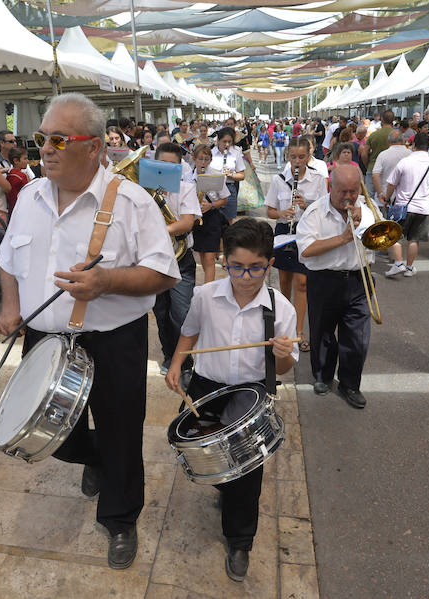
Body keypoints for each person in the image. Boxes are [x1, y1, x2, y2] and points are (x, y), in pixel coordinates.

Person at [0, 93, 179, 570]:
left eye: (59, 139)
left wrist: (107, 281)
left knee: (121, 431)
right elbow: (8, 261)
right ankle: (96, 459)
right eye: (41, 138)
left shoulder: (132, 201)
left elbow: (163, 274)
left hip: (114, 341)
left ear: (94, 147)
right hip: (45, 340)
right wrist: (12, 307)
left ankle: (120, 518)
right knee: (58, 436)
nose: (45, 149)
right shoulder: (29, 197)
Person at [164, 217, 297, 583]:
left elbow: (283, 368)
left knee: (248, 471)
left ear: (269, 264)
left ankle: (240, 541)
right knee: (193, 445)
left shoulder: (281, 309)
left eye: (256, 267)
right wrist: (176, 364)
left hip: (251, 393)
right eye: (237, 266)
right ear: (225, 261)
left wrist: (283, 353)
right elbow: (189, 332)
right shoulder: (206, 296)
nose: (246, 276)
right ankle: (226, 486)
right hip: (207, 386)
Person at [296, 165, 375, 409]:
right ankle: (322, 375)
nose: (349, 197)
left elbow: (380, 242)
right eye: (343, 192)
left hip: (359, 279)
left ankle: (350, 384)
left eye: (353, 191)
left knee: (357, 337)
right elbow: (306, 251)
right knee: (322, 331)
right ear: (331, 187)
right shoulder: (314, 212)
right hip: (325, 280)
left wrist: (364, 223)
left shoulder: (368, 209)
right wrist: (342, 238)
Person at [265, 137, 327, 352]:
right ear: (287, 157)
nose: (297, 161)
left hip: (306, 232)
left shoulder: (318, 179)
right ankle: (285, 328)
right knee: (284, 282)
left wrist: (306, 204)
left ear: (309, 156)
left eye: (302, 157)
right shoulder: (279, 179)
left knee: (302, 283)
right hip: (285, 232)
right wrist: (282, 213)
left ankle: (299, 333)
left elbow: (324, 209)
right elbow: (269, 211)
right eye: (293, 157)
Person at [152, 142, 201, 375]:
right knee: (160, 312)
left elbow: (187, 222)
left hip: (181, 259)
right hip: (153, 260)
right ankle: (169, 355)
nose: (167, 169)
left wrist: (160, 230)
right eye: (162, 164)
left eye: (173, 165)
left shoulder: (186, 188)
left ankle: (185, 361)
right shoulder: (145, 189)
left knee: (181, 313)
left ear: (180, 167)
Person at [382, 133, 429, 278]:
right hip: (423, 208)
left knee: (394, 237)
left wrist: (387, 198)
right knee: (414, 239)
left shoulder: (404, 162)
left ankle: (398, 264)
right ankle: (409, 268)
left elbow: (392, 184)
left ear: (413, 145)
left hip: (403, 206)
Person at [190, 143, 230, 283]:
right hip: (196, 219)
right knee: (202, 255)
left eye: (206, 159)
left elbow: (225, 199)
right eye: (200, 159)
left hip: (211, 218)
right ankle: (208, 286)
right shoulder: (188, 176)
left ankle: (209, 291)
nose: (203, 162)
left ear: (211, 160)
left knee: (209, 258)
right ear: (193, 158)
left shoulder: (215, 175)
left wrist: (211, 205)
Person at [211, 127, 246, 223]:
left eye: (229, 142)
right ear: (218, 140)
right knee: (213, 220)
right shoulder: (211, 153)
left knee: (228, 221)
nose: (227, 145)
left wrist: (230, 174)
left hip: (229, 188)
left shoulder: (236, 152)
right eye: (224, 141)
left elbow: (242, 175)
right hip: (213, 189)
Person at [371, 129, 412, 208]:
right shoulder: (410, 154)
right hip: (404, 198)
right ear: (402, 140)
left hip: (385, 197)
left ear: (389, 142)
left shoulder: (383, 155)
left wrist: (380, 193)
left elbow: (375, 176)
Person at [362, 109, 394, 194]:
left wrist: (367, 165)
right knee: (389, 197)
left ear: (382, 119)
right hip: (391, 170)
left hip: (373, 167)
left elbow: (364, 153)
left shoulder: (374, 135)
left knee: (370, 199)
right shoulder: (398, 135)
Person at [5, 146, 29, 216]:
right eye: (25, 158)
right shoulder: (21, 176)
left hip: (12, 210)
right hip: (22, 210)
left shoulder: (10, 174)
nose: (27, 161)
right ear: (16, 161)